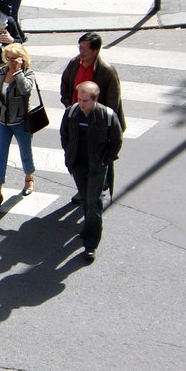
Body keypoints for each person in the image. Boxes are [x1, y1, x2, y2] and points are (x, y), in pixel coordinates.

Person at [60, 82, 123, 263]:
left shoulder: (107, 115)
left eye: (85, 100)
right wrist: (69, 153)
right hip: (78, 165)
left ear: (95, 100)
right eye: (79, 99)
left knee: (94, 203)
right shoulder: (71, 113)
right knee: (86, 202)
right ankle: (89, 229)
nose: (81, 103)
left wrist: (105, 160)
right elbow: (64, 135)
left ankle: (90, 244)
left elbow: (116, 141)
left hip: (97, 166)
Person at [0, 43, 38, 209]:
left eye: (14, 59)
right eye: (8, 58)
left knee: (25, 152)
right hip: (2, 121)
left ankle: (29, 179)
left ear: (22, 59)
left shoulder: (28, 73)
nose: (10, 62)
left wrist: (19, 71)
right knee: (0, 156)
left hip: (21, 121)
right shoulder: (0, 73)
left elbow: (25, 90)